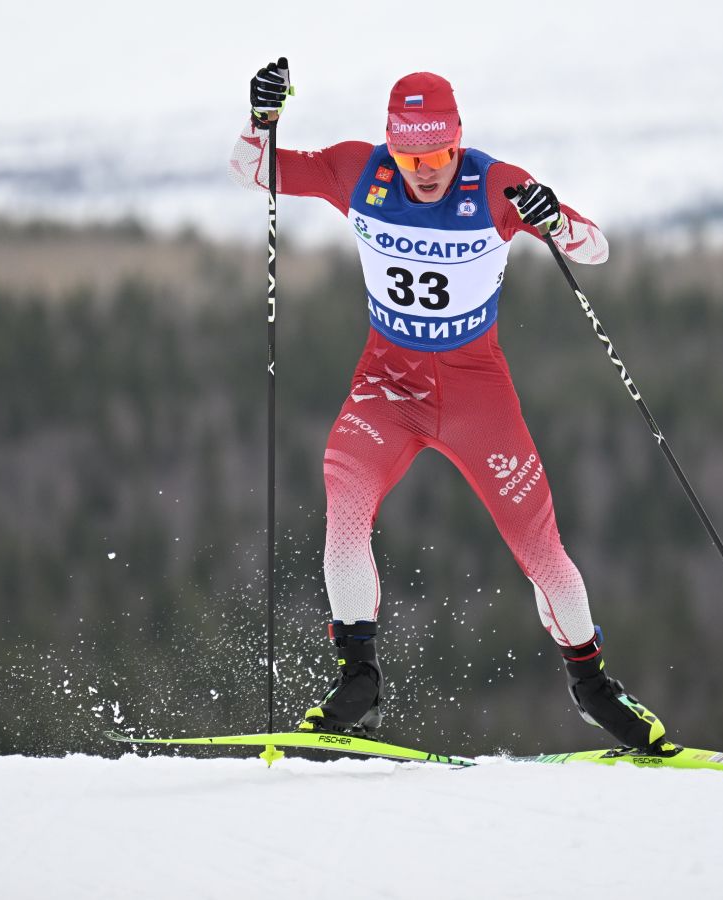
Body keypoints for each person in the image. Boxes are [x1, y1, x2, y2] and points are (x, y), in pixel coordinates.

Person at [229, 61, 669, 751]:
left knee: (543, 550)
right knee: (344, 513)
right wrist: (262, 121)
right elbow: (257, 171)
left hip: (476, 397)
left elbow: (596, 249)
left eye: (437, 155)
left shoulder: (493, 184)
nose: (425, 171)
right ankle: (359, 680)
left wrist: (554, 218)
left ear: (457, 141)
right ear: (391, 147)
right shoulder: (359, 172)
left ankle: (593, 688)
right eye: (410, 158)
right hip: (386, 388)